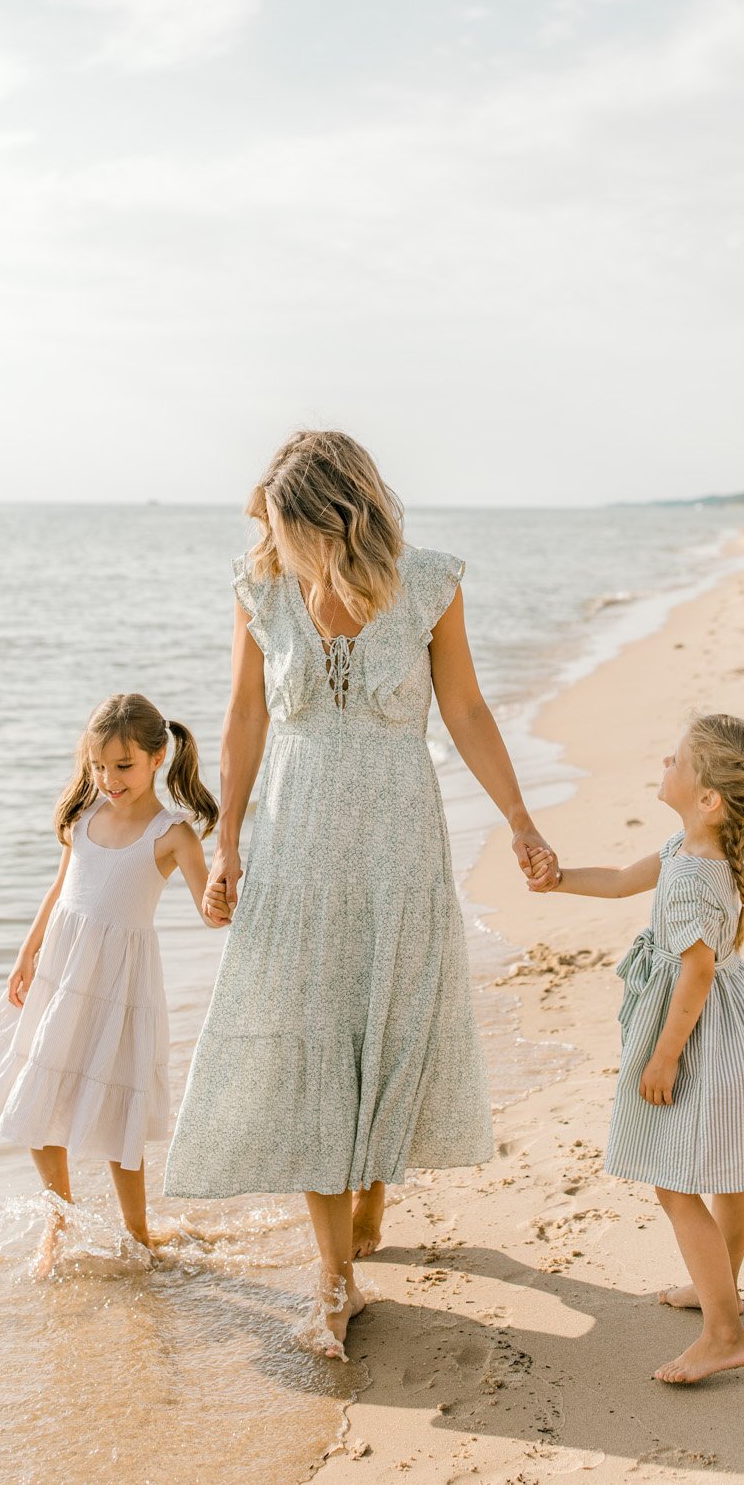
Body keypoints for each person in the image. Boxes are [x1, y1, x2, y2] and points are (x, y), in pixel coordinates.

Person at [163, 430, 557, 1356]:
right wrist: (224, 845)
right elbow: (244, 716)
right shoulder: (260, 589)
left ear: (332, 516)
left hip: (396, 834)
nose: (276, 538)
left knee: (384, 1019)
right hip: (295, 836)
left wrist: (520, 819)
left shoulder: (429, 584)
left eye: (288, 523)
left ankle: (367, 1204)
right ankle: (334, 1276)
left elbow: (463, 708)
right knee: (309, 1035)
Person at [532, 712, 744, 1383]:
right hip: (736, 1032)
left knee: (675, 1181)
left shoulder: (689, 875)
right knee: (725, 1177)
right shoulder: (696, 851)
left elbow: (696, 971)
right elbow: (622, 880)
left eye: (674, 761)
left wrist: (664, 1054)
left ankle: (723, 1333)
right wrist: (557, 878)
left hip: (700, 1038)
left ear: (708, 797)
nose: (662, 764)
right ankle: (720, 1292)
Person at [0, 693, 222, 1273]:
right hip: (60, 974)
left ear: (157, 758)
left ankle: (138, 1234)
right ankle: (59, 1221)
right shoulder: (84, 816)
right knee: (38, 1093)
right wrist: (26, 954)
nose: (109, 779)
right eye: (99, 766)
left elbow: (210, 911)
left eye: (123, 766)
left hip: (121, 985)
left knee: (120, 1109)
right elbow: (58, 890)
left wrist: (227, 888)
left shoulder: (173, 834)